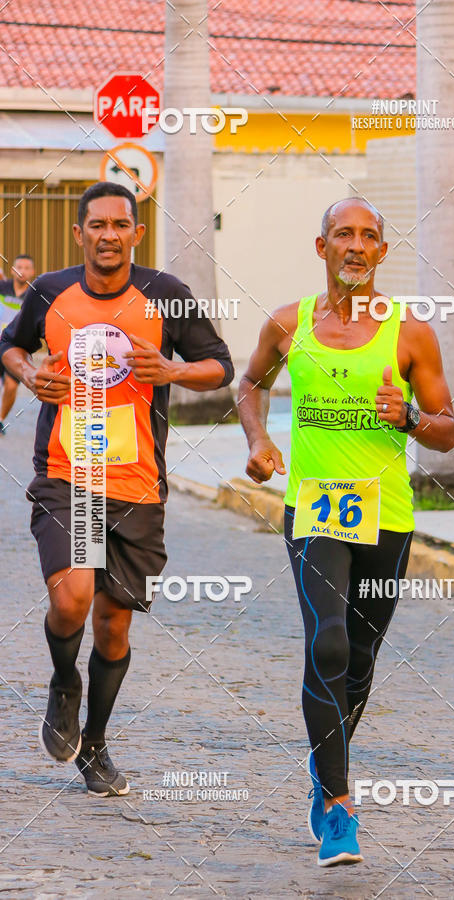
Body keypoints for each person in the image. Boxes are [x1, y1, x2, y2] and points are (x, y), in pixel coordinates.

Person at [237, 198, 454, 866]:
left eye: (369, 237)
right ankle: (339, 808)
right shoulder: (288, 322)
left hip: (386, 513)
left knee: (359, 661)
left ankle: (321, 769)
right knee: (328, 643)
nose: (356, 246)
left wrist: (410, 418)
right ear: (321, 246)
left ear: (382, 253)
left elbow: (449, 432)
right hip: (316, 506)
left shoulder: (411, 332)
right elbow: (249, 385)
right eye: (343, 235)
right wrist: (259, 440)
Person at [0, 182, 233, 797]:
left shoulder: (166, 295)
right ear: (80, 234)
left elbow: (220, 364)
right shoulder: (50, 291)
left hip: (137, 486)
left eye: (120, 225)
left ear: (135, 233)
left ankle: (95, 743)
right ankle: (62, 684)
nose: (108, 235)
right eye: (96, 225)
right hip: (69, 474)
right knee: (73, 598)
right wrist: (29, 373)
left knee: (112, 627)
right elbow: (11, 345)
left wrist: (175, 370)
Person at [0, 254, 36, 433]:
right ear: (12, 269)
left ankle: (0, 420)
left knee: (11, 385)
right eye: (18, 267)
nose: (22, 271)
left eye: (26, 268)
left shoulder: (34, 295)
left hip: (16, 347)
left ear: (32, 272)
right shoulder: (2, 286)